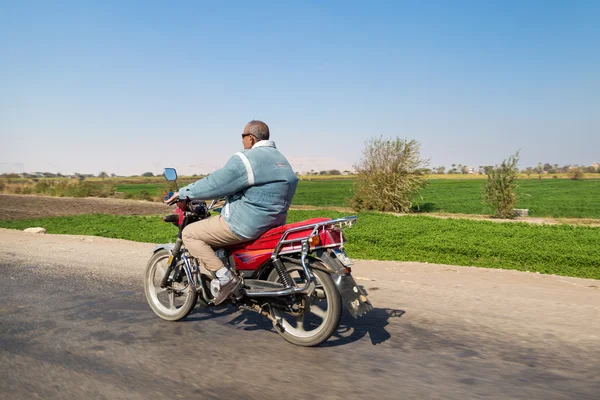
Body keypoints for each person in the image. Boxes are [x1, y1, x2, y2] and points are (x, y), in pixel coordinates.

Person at [164, 120, 298, 304]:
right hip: (273, 223)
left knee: (190, 234)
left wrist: (185, 192)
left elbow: (216, 183)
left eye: (243, 137)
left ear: (251, 138)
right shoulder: (281, 159)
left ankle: (226, 278)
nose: (242, 141)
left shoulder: (247, 159)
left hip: (244, 225)